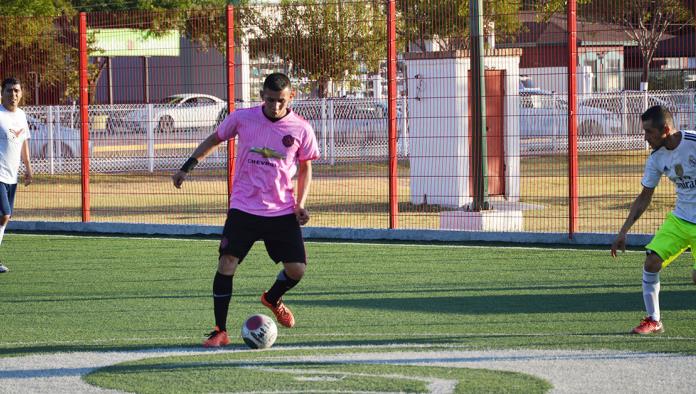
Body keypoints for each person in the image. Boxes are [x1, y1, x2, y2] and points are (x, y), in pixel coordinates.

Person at [172, 73, 320, 347]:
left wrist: (300, 204)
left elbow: (306, 167)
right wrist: (187, 166)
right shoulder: (242, 118)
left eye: (281, 101)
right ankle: (220, 331)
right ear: (261, 95)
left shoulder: (301, 128)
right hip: (244, 207)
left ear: (291, 98)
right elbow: (214, 138)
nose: (275, 106)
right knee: (226, 263)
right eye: (270, 99)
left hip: (281, 210)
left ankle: (273, 298)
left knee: (297, 269)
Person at [611, 105, 696, 335]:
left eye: (649, 132)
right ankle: (653, 319)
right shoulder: (657, 158)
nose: (645, 137)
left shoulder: (693, 143)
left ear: (665, 130)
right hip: (680, 220)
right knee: (651, 263)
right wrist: (623, 231)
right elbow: (644, 197)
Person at [0, 77, 33, 274]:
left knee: (5, 218)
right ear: (1, 93)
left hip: (12, 177)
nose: (13, 95)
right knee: (5, 214)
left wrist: (28, 168)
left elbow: (23, 142)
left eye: (16, 91)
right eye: (9, 91)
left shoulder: (21, 115)